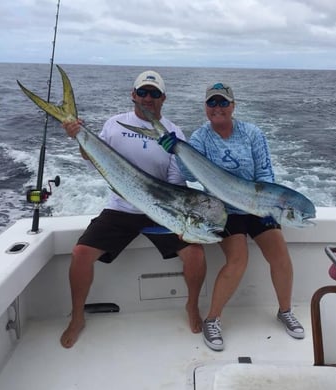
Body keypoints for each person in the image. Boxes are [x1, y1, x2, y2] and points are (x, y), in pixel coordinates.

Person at [60, 70, 206, 348]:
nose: (147, 98)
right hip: (121, 208)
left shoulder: (173, 132)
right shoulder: (114, 124)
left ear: (163, 98)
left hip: (160, 209)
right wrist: (77, 136)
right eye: (142, 92)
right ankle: (77, 316)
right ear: (133, 94)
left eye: (154, 93)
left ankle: (192, 306)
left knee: (196, 253)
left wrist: (184, 217)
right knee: (80, 254)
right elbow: (93, 157)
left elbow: (176, 181)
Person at [160, 82, 304, 351]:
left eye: (223, 102)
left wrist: (266, 205)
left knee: (280, 255)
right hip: (223, 209)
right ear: (205, 108)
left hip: (257, 204)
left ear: (233, 106)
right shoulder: (200, 138)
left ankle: (285, 310)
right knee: (238, 259)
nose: (217, 108)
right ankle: (212, 320)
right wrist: (177, 153)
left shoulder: (252, 133)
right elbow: (191, 176)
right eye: (212, 103)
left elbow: (265, 175)